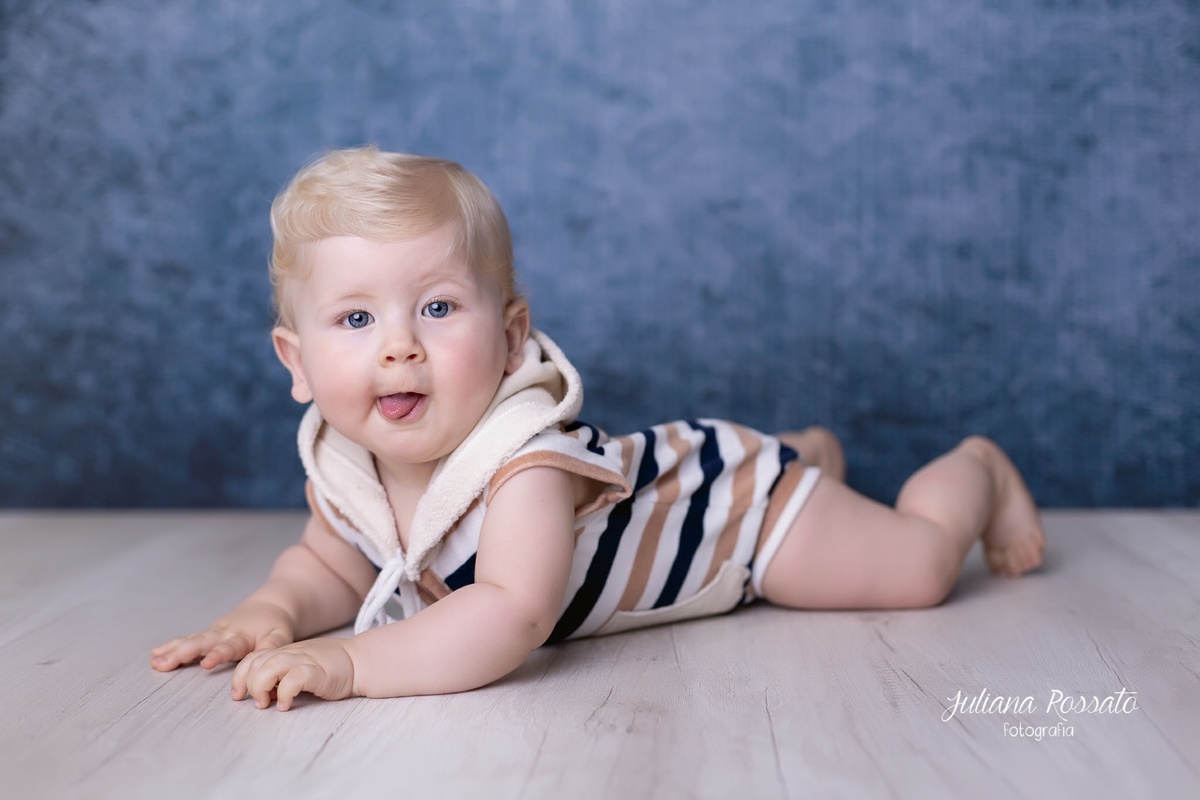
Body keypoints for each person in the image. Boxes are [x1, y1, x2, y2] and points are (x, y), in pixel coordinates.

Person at [150, 146, 1045, 711]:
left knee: (920, 570)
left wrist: (349, 665)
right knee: (808, 491)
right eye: (354, 321)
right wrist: (268, 615)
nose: (398, 350)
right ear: (295, 360)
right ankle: (814, 452)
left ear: (508, 338)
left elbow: (509, 614)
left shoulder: (524, 458)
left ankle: (974, 471)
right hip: (682, 472)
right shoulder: (349, 462)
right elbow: (328, 562)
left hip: (735, 516)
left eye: (435, 308)